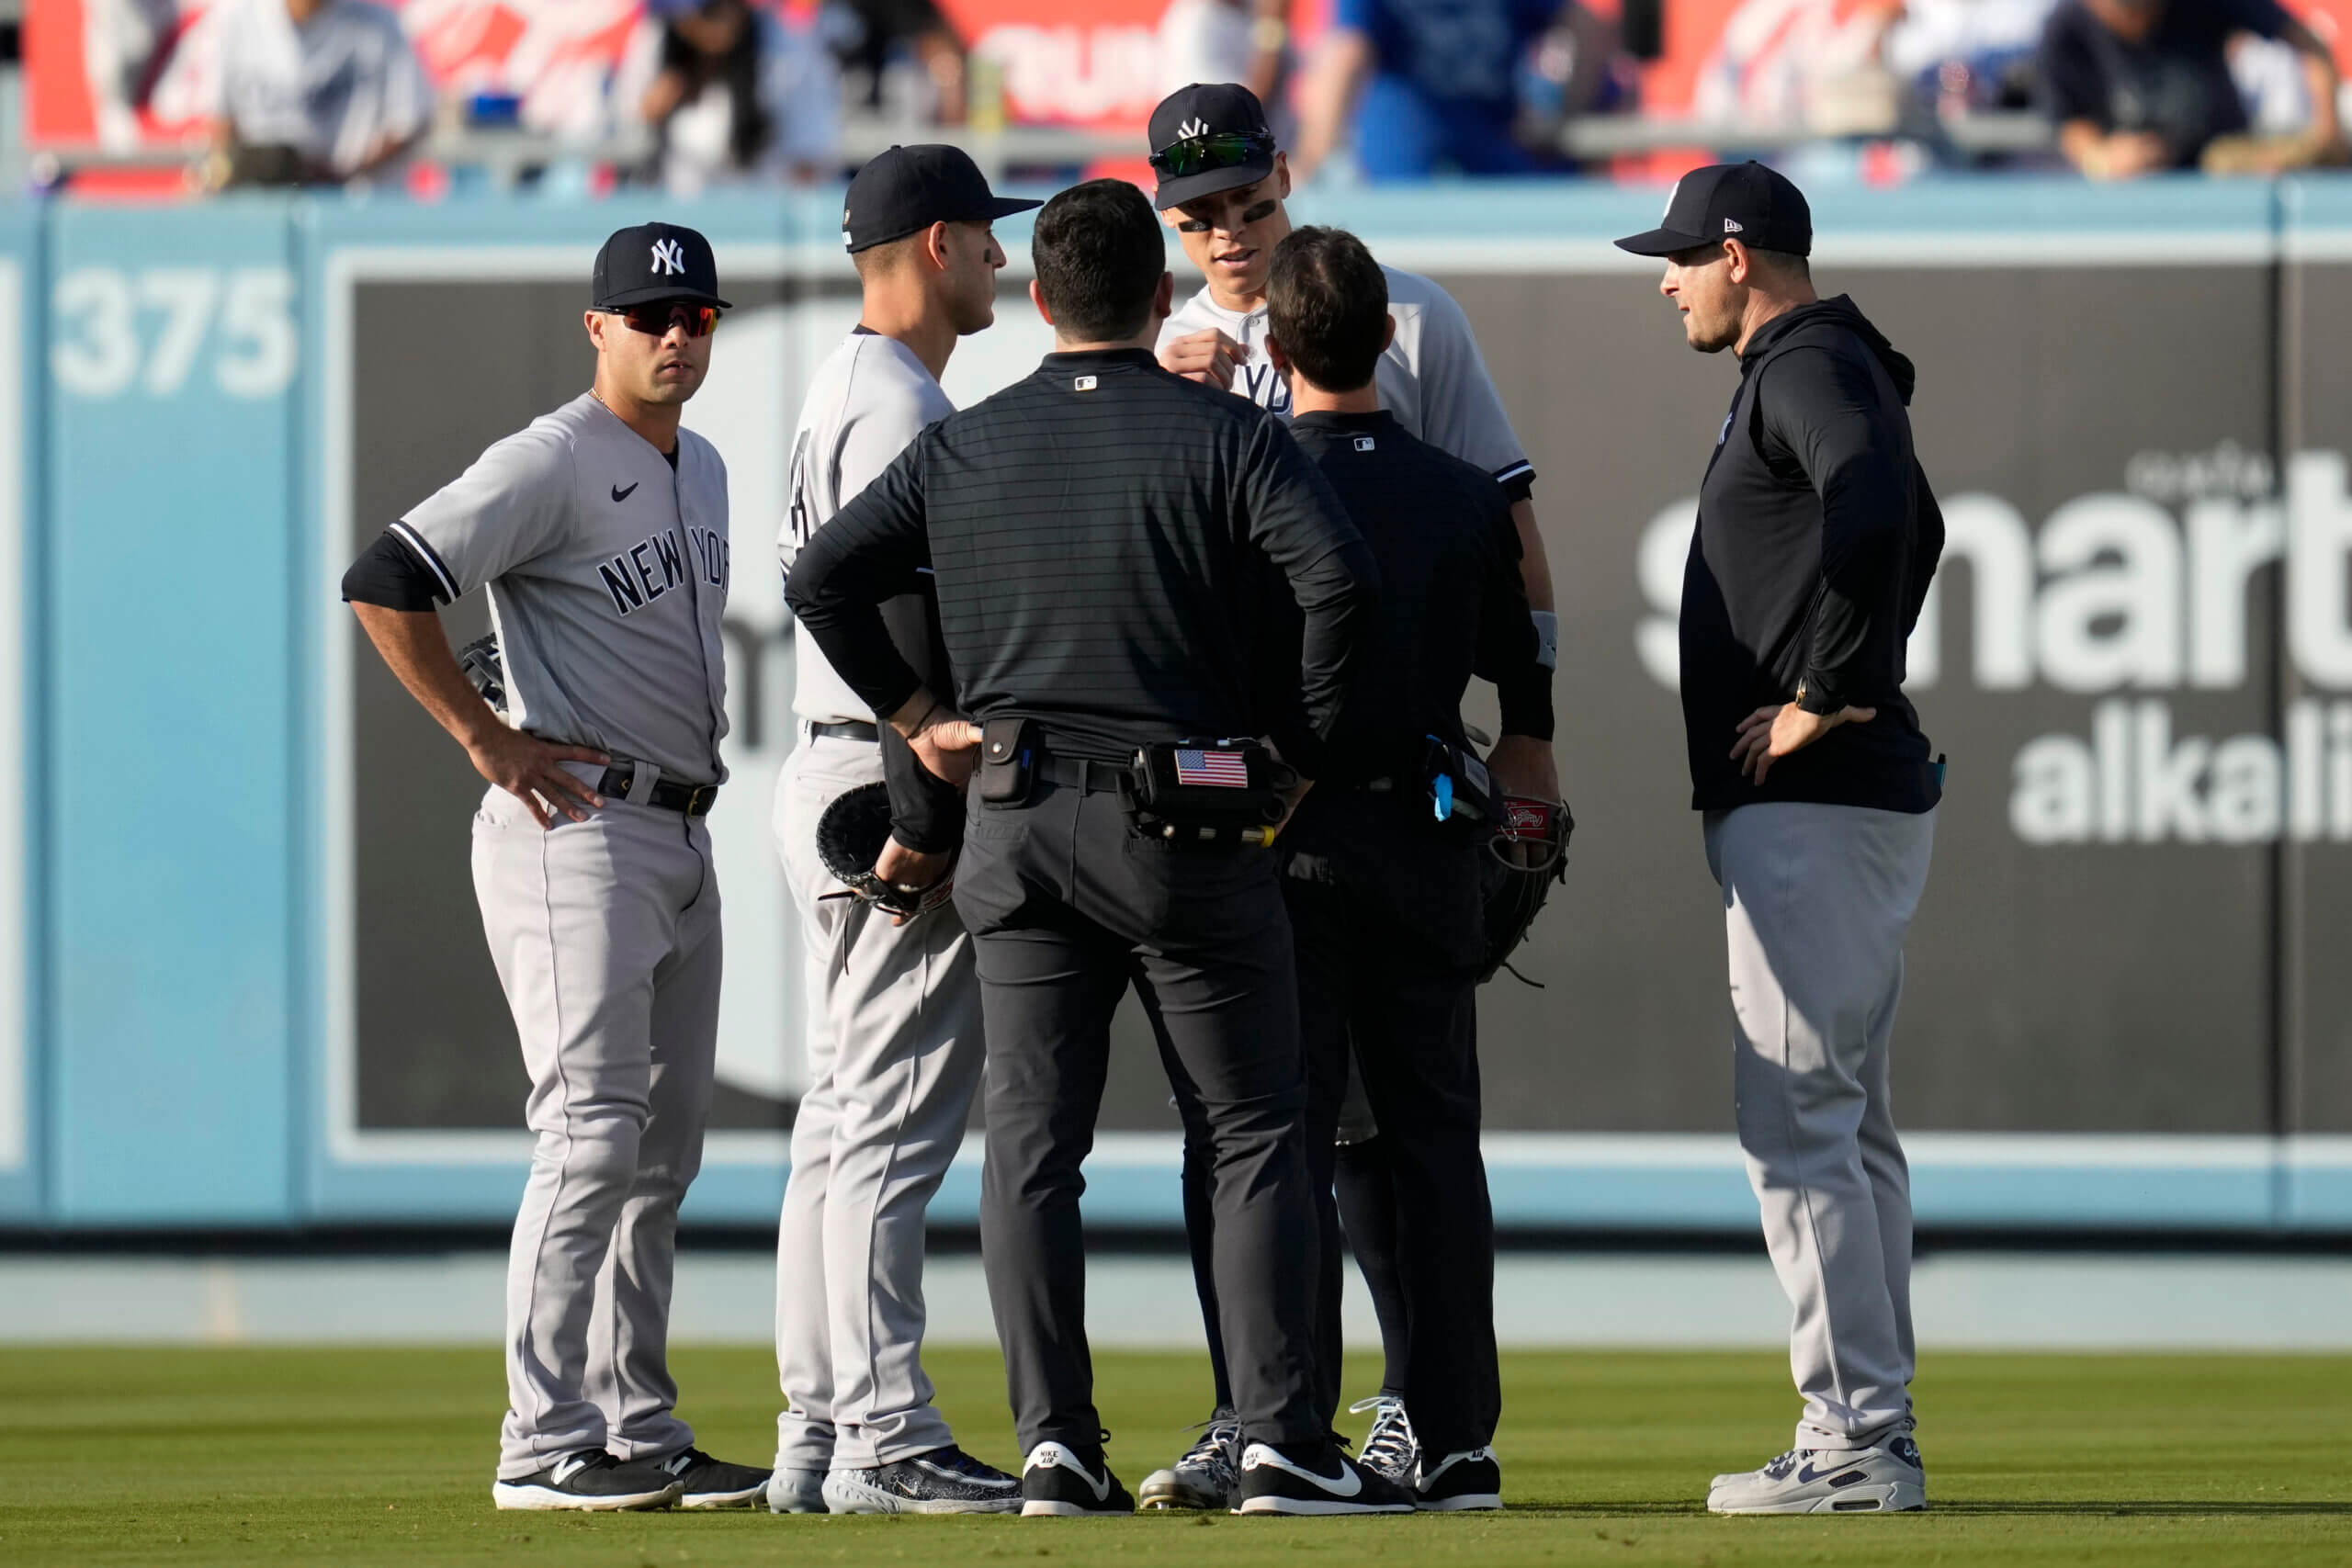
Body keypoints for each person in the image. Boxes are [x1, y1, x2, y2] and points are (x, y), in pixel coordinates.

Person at [785, 177, 1404, 1519]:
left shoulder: (967, 443)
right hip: (1186, 819)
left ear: (1044, 300)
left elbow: (820, 576)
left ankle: (1056, 1444)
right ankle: (1281, 1437)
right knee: (1249, 1123)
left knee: (1031, 1149)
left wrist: (917, 717)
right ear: (1160, 293)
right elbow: (1339, 580)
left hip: (1014, 824)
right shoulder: (1225, 436)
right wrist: (1296, 748)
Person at [1141, 79, 1562, 1509]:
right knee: (1273, 1129)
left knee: (1364, 1126)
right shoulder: (1157, 351)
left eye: (1250, 204)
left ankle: (1385, 1415)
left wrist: (1530, 739)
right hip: (1252, 801)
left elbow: (1509, 542)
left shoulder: (1408, 313)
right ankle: (1273, 1412)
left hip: (1365, 791)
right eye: (1199, 215)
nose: (1230, 233)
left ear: (1286, 181)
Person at [341, 223, 770, 1514]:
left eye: (694, 312)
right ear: (600, 329)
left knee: (662, 1152)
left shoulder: (704, 466)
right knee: (590, 1135)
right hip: (575, 827)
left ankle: (635, 1420)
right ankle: (541, 1435)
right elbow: (386, 576)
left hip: (683, 825)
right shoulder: (553, 454)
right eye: (650, 315)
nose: (677, 333)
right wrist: (484, 733)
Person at [1614, 163, 1944, 1517]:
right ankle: (1873, 1422)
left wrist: (1822, 689)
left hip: (1820, 801)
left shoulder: (1804, 359)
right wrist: (1850, 673)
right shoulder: (1828, 359)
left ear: (1740, 255)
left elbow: (1877, 502)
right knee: (1845, 1124)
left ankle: (1856, 1436)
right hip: (1847, 801)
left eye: (1684, 257)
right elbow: (1908, 520)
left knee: (1799, 1124)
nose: (1668, 280)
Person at [1258, 224, 1556, 1511]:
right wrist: (1532, 756)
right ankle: (1459, 1438)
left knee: (1291, 1137)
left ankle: (1292, 1430)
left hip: (1292, 845)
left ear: (1274, 350)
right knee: (1436, 1140)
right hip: (1431, 835)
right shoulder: (1457, 490)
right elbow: (1521, 657)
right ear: (1389, 336)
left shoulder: (1251, 474)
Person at [766, 144, 1040, 1519]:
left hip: (825, 760)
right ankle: (882, 1431)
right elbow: (886, 610)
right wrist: (927, 780)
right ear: (937, 244)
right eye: (990, 237)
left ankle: (818, 1424)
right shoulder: (898, 401)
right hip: (877, 774)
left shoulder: (846, 387)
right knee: (885, 1121)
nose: (1006, 257)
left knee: (838, 1117)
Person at [2038, 0, 2344, 176]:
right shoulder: (2065, 27)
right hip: (2129, 200)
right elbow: (2067, 117)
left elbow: (2309, 43)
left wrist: (2328, 136)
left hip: (2226, 179)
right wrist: (2100, 157)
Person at [1290, 0, 1569, 179]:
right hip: (1455, 152)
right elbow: (1581, 23)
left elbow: (1348, 52)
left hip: (1409, 161)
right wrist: (1564, 112)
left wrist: (1310, 160)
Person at [614, 0, 841, 194]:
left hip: (761, 206)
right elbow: (620, 118)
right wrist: (648, 109)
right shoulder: (657, 39)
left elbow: (811, 150)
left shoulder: (784, 46)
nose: (695, 27)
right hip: (676, 206)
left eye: (710, 12)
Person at [205, 0, 432, 189]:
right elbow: (223, 123)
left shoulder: (378, 23)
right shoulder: (240, 21)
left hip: (352, 207)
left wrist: (346, 177)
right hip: (262, 205)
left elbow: (411, 120)